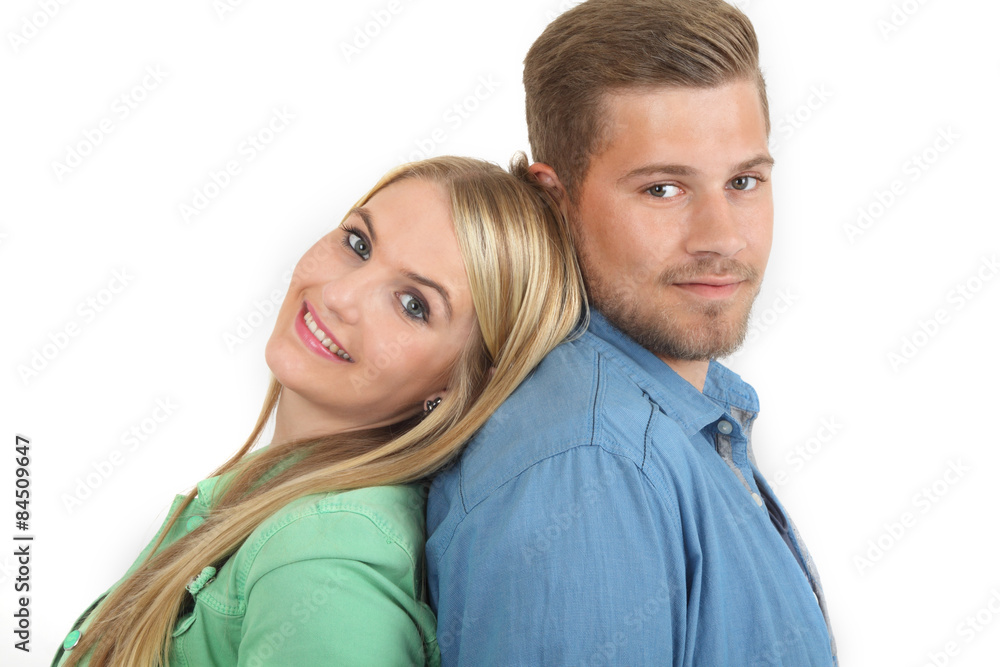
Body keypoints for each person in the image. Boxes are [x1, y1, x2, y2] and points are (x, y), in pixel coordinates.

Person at [51, 154, 586, 667]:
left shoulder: (325, 560)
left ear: (462, 386)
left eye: (413, 305)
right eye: (358, 243)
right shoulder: (283, 493)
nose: (339, 295)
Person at [427, 1, 838, 665]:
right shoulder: (588, 464)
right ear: (555, 200)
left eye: (743, 181)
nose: (723, 238)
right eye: (663, 190)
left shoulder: (675, 414)